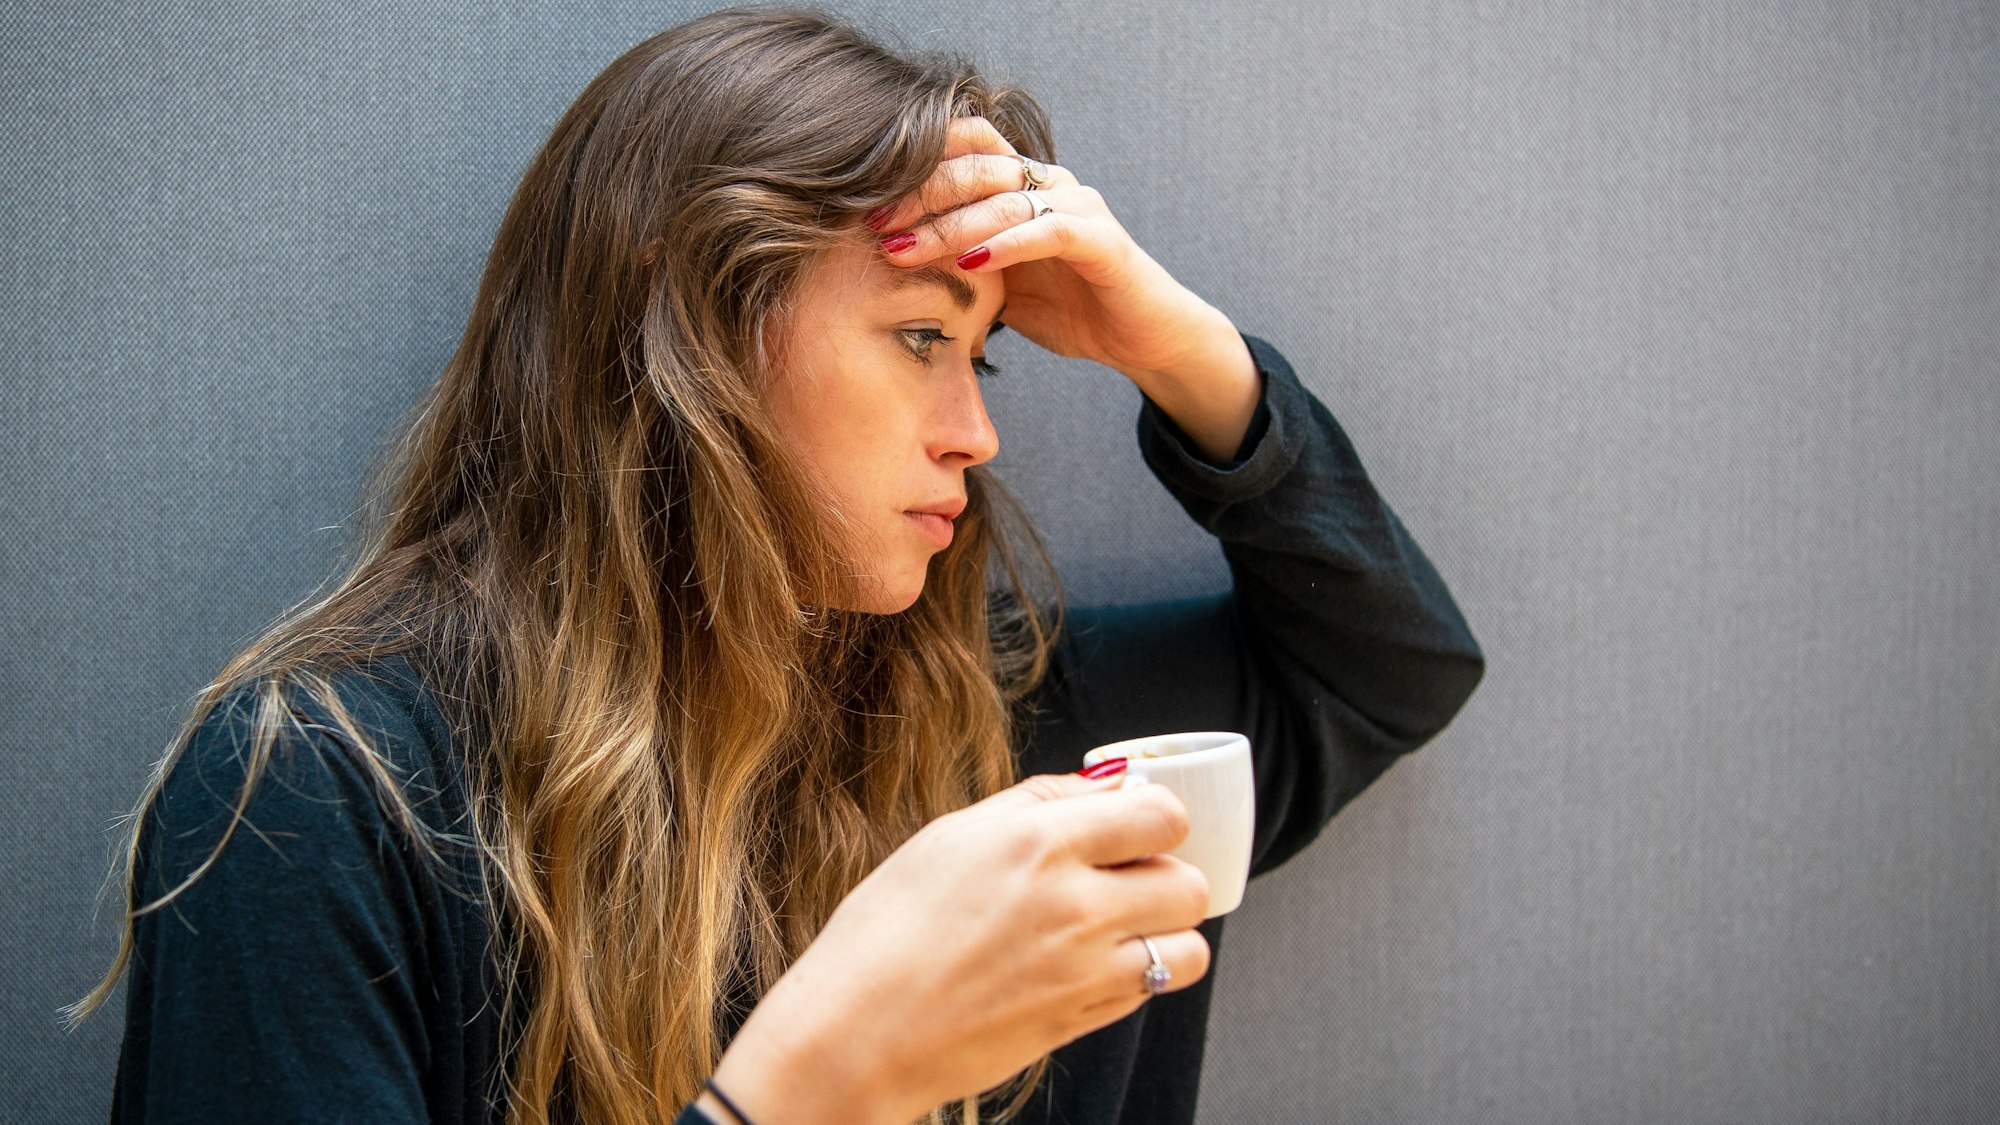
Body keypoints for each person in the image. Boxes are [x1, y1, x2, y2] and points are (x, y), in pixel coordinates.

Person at [66, 6, 1485, 1124]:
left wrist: (1165, 341)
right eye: (923, 338)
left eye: (981, 351)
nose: (980, 432)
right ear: (680, 315)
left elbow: (1388, 665)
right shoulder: (319, 800)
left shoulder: (1009, 735)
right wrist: (807, 1089)